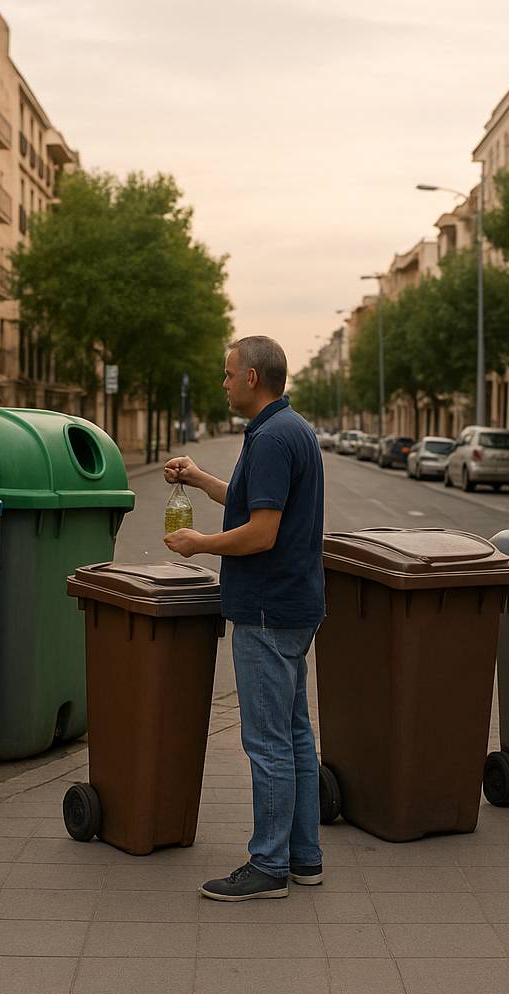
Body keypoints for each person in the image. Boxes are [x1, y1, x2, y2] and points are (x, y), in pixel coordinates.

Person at [163, 335, 326, 901]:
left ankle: (269, 866)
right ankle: (304, 858)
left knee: (268, 743)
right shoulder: (288, 428)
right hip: (292, 605)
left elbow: (262, 532)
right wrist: (201, 479)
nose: (224, 382)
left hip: (267, 608)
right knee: (296, 735)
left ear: (253, 378)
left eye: (228, 374)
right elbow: (253, 501)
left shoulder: (274, 437)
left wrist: (200, 544)